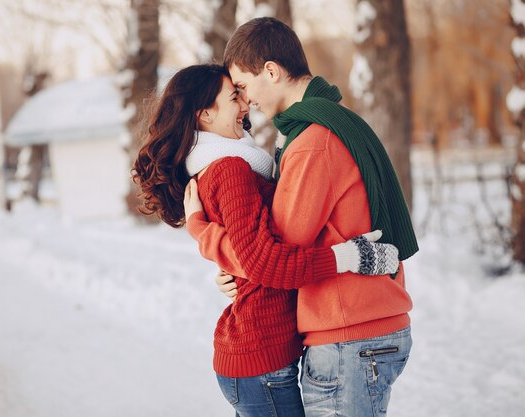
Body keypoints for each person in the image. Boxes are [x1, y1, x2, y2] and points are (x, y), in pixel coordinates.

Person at [132, 64, 400, 417]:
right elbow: (265, 262)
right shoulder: (230, 168)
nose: (245, 104)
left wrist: (216, 248)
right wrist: (349, 258)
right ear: (206, 114)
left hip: (260, 355)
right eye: (234, 96)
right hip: (261, 357)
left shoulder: (225, 163)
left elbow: (250, 255)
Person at [182, 18, 418, 417]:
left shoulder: (312, 141)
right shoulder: (321, 124)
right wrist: (237, 264)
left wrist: (207, 234)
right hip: (356, 328)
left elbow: (274, 250)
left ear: (271, 72)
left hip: (348, 333)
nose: (244, 101)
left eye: (242, 86)